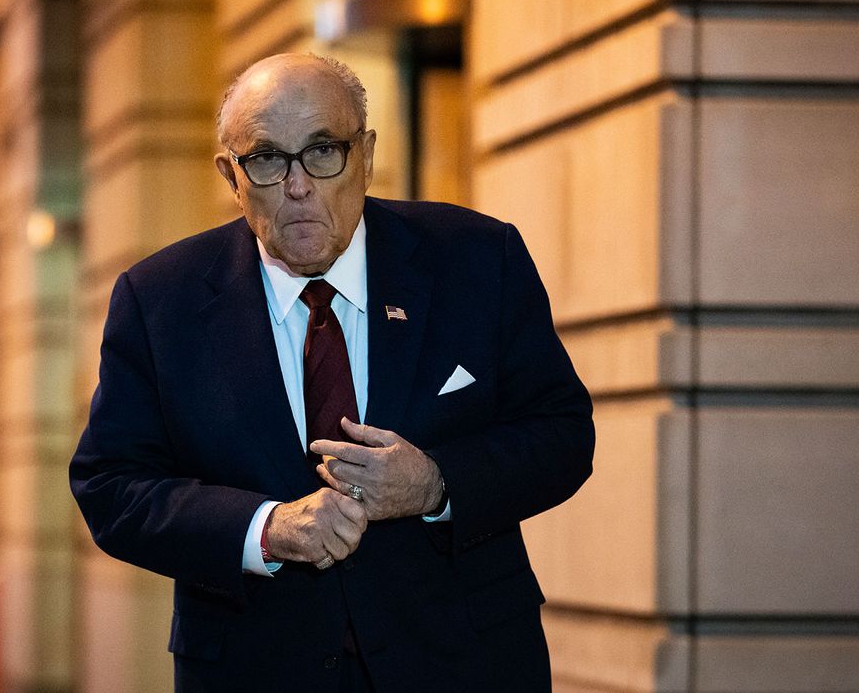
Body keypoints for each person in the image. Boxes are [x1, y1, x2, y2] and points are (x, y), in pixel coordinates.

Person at [70, 53, 594, 692]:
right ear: (230, 176)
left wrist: (435, 485)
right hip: (254, 670)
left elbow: (562, 433)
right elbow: (111, 485)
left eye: (324, 151)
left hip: (465, 660)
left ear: (367, 153)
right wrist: (265, 529)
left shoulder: (479, 259)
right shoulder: (160, 299)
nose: (298, 185)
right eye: (266, 159)